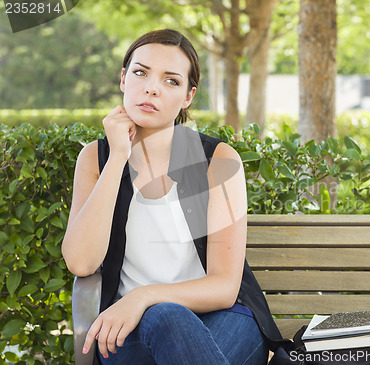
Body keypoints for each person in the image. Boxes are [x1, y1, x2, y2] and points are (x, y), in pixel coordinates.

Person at [62, 29, 285, 365]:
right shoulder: (96, 159)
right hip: (129, 330)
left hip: (222, 320)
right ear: (123, 79)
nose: (151, 87)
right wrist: (118, 157)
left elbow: (225, 287)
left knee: (168, 316)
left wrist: (144, 296)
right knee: (164, 319)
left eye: (171, 81)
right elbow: (81, 262)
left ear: (187, 96)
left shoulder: (216, 160)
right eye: (140, 73)